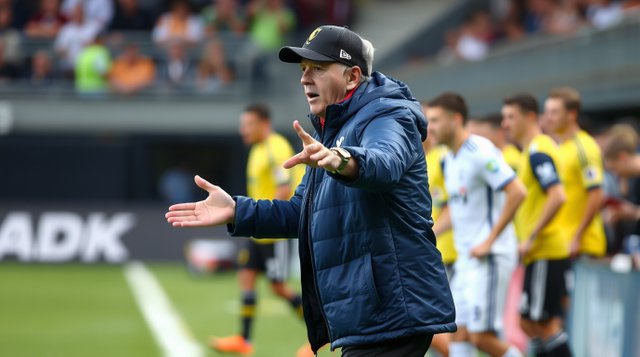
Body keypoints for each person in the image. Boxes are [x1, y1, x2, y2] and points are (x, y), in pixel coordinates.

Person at [166, 25, 456, 356]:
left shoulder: (388, 114)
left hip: (392, 308)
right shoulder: (331, 133)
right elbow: (299, 212)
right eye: (303, 70)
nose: (305, 78)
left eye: (318, 68)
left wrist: (341, 159)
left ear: (352, 77)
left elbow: (384, 162)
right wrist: (237, 210)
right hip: (369, 312)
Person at [426, 92, 526, 357]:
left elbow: (517, 192)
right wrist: (430, 233)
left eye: (435, 120)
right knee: (458, 332)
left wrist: (489, 240)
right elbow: (454, 209)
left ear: (456, 119)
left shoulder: (479, 151)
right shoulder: (448, 159)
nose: (430, 127)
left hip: (490, 257)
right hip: (466, 259)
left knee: (482, 338)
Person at [208, 103, 308, 356]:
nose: (244, 130)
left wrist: (270, 220)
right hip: (257, 231)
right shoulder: (257, 150)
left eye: (248, 125)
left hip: (273, 232)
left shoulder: (276, 147)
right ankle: (244, 340)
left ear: (264, 124)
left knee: (279, 287)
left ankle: (321, 334)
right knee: (247, 277)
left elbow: (284, 188)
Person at [501, 93, 572, 357]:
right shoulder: (531, 150)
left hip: (545, 249)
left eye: (511, 117)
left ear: (530, 117)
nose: (505, 124)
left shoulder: (539, 150)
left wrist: (530, 236)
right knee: (529, 323)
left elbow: (558, 195)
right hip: (538, 252)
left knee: (543, 324)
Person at [545, 87, 607, 259]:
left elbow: (596, 194)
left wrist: (577, 237)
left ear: (572, 114)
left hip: (582, 246)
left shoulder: (585, 148)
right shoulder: (560, 147)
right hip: (563, 243)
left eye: (554, 112)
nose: (548, 118)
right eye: (547, 112)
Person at [421, 102, 457, 357]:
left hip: (449, 253)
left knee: (431, 327)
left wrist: (428, 236)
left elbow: (453, 207)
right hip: (434, 254)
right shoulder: (421, 160)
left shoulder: (442, 160)